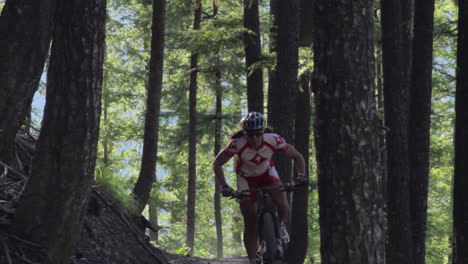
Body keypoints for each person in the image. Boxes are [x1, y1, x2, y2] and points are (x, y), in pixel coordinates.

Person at [212, 112, 307, 264]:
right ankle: (252, 260)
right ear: (245, 133)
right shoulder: (237, 144)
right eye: (250, 135)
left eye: (257, 134)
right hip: (246, 179)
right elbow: (217, 164)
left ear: (262, 132)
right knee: (250, 222)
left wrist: (302, 175)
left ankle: (281, 226)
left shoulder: (274, 139)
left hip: (267, 174)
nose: (254, 139)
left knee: (282, 203)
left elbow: (297, 156)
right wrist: (224, 186)